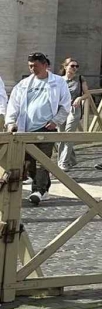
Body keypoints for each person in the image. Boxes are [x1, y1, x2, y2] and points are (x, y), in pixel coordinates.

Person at [4, 53, 71, 205]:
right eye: (30, 66)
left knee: (43, 161)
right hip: (27, 129)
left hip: (46, 128)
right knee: (29, 163)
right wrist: (10, 122)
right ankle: (44, 189)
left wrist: (56, 121)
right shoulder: (23, 84)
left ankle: (38, 191)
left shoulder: (58, 82)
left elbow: (65, 105)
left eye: (35, 66)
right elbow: (13, 105)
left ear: (45, 65)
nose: (32, 69)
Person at [57, 58, 90, 172]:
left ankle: (63, 162)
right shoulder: (59, 80)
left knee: (68, 135)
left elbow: (87, 94)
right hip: (61, 110)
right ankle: (72, 159)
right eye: (72, 66)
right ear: (65, 67)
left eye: (76, 66)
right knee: (61, 136)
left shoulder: (80, 79)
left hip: (74, 109)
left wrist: (79, 98)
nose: (75, 68)